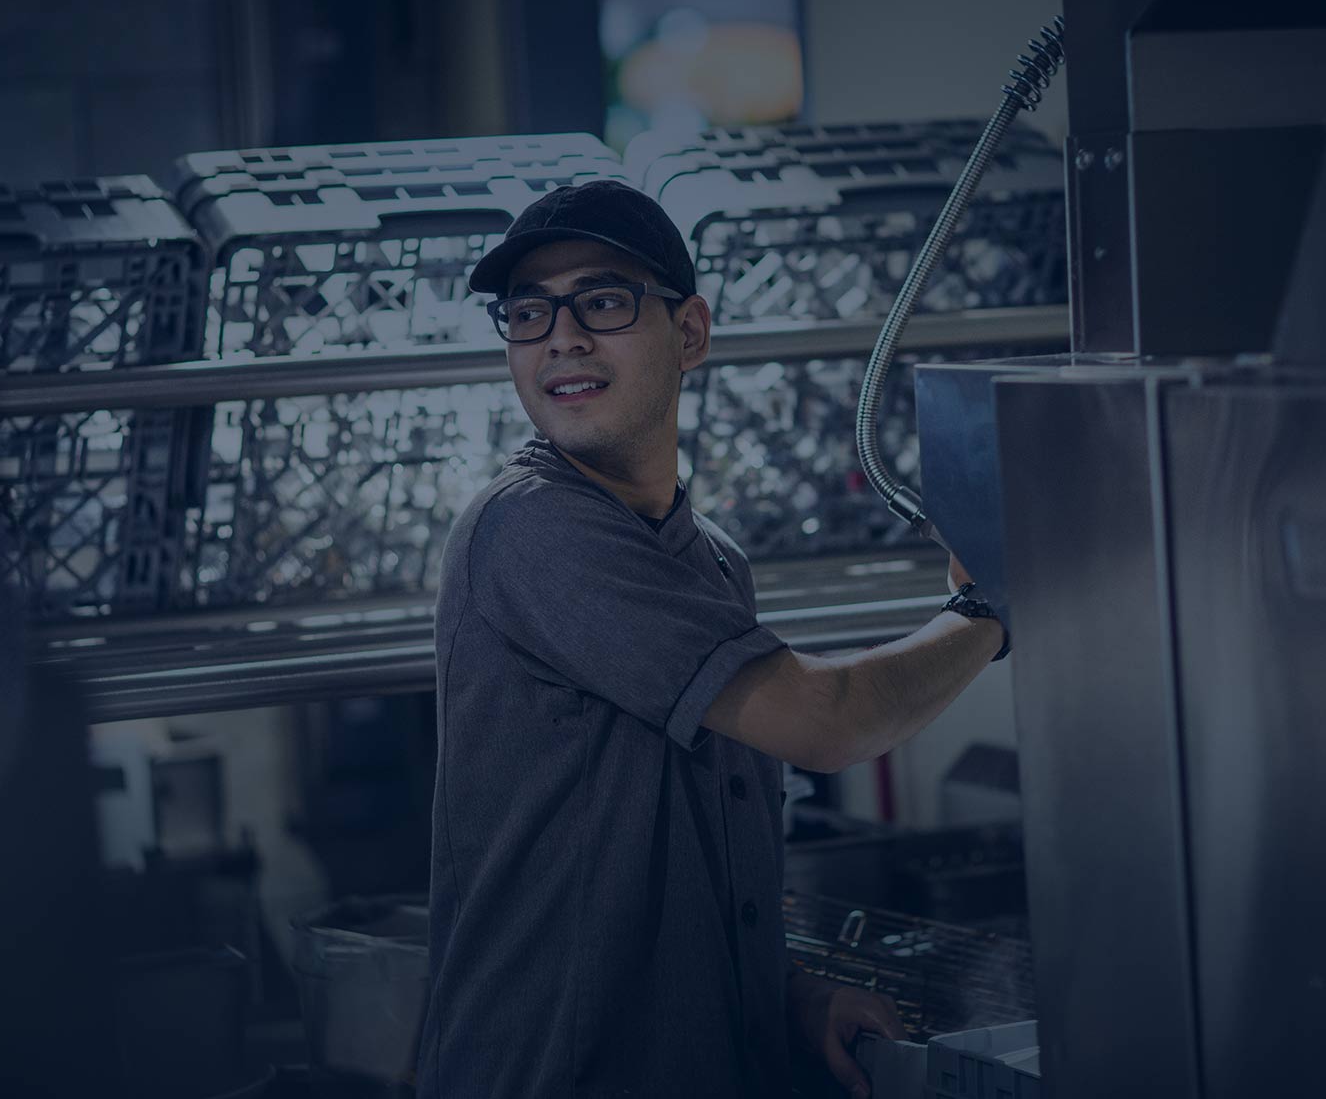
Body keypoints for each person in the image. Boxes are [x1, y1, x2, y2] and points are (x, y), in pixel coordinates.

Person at [418, 180, 1010, 1098]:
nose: (561, 337)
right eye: (528, 313)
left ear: (689, 332)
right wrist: (990, 616)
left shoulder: (712, 561)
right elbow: (829, 722)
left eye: (603, 301)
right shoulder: (528, 529)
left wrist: (786, 993)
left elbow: (701, 858)